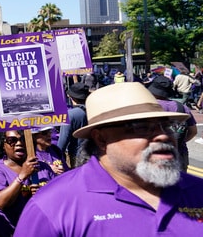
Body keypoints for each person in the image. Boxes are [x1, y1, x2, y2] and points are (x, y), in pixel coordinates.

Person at [13, 82, 202, 236]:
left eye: (166, 126)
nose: (162, 136)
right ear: (101, 138)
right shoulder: (53, 205)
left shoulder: (197, 191)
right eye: (140, 127)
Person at [0, 130, 56, 236]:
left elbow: (57, 199)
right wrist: (23, 175)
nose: (19, 143)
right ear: (2, 145)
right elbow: (0, 202)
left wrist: (43, 194)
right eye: (12, 140)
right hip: (6, 230)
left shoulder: (43, 168)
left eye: (23, 139)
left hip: (35, 230)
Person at [146, 75, 198, 171]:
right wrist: (180, 141)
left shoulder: (148, 106)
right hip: (179, 153)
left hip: (154, 153)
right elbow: (193, 131)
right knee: (181, 184)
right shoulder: (182, 107)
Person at [57, 82, 89, 168]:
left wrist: (57, 158)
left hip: (77, 156)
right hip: (94, 154)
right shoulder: (92, 110)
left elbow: (63, 141)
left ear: (71, 97)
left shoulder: (70, 115)